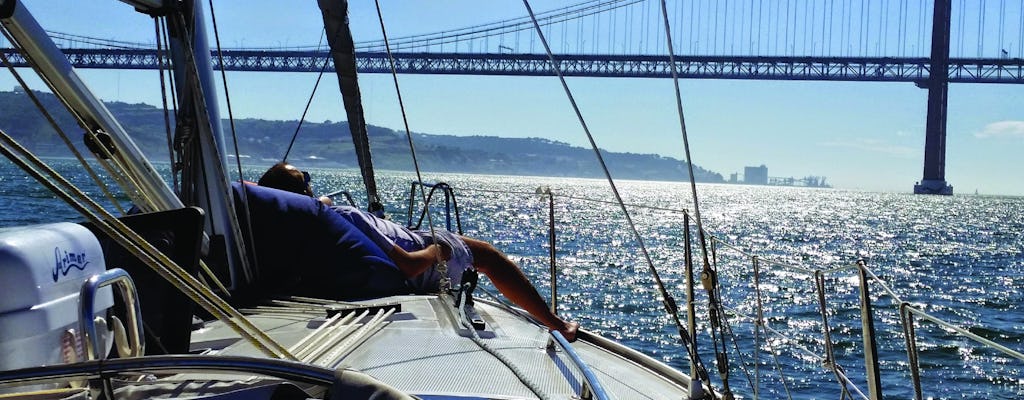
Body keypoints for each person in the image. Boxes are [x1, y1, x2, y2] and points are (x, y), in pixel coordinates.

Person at [252, 162, 579, 341]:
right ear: (303, 193)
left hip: (401, 242)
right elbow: (408, 266)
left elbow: (313, 204)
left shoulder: (311, 224)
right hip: (423, 254)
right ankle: (556, 323)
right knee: (490, 257)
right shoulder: (346, 217)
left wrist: (315, 201)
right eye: (305, 179)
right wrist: (439, 251)